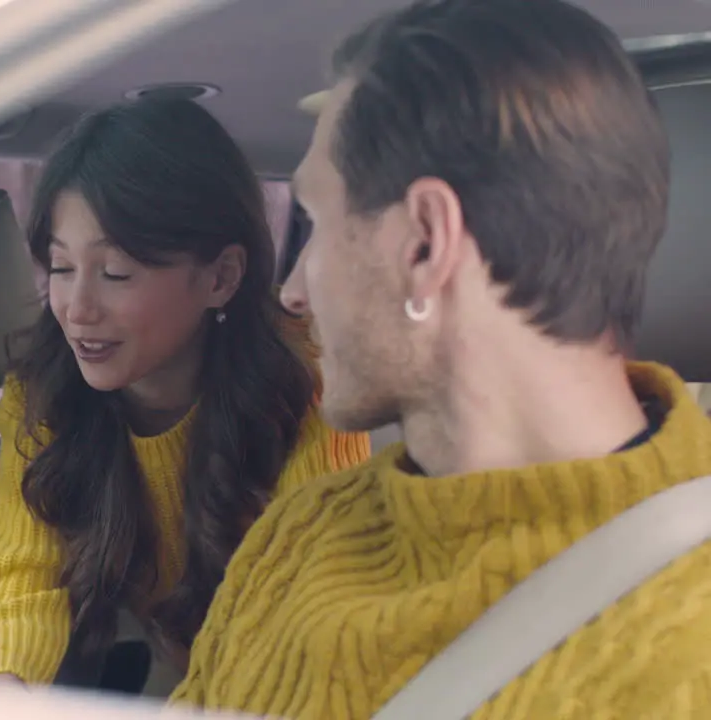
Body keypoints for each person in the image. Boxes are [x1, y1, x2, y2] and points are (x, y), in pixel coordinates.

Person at [172, 0, 711, 717]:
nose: (294, 292)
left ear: (425, 244)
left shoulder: (685, 655)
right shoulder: (298, 533)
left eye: (320, 225)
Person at [0, 97, 371, 689]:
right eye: (61, 268)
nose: (77, 309)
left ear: (221, 277)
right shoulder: (43, 392)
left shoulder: (311, 378)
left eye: (116, 273)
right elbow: (18, 577)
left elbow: (306, 603)